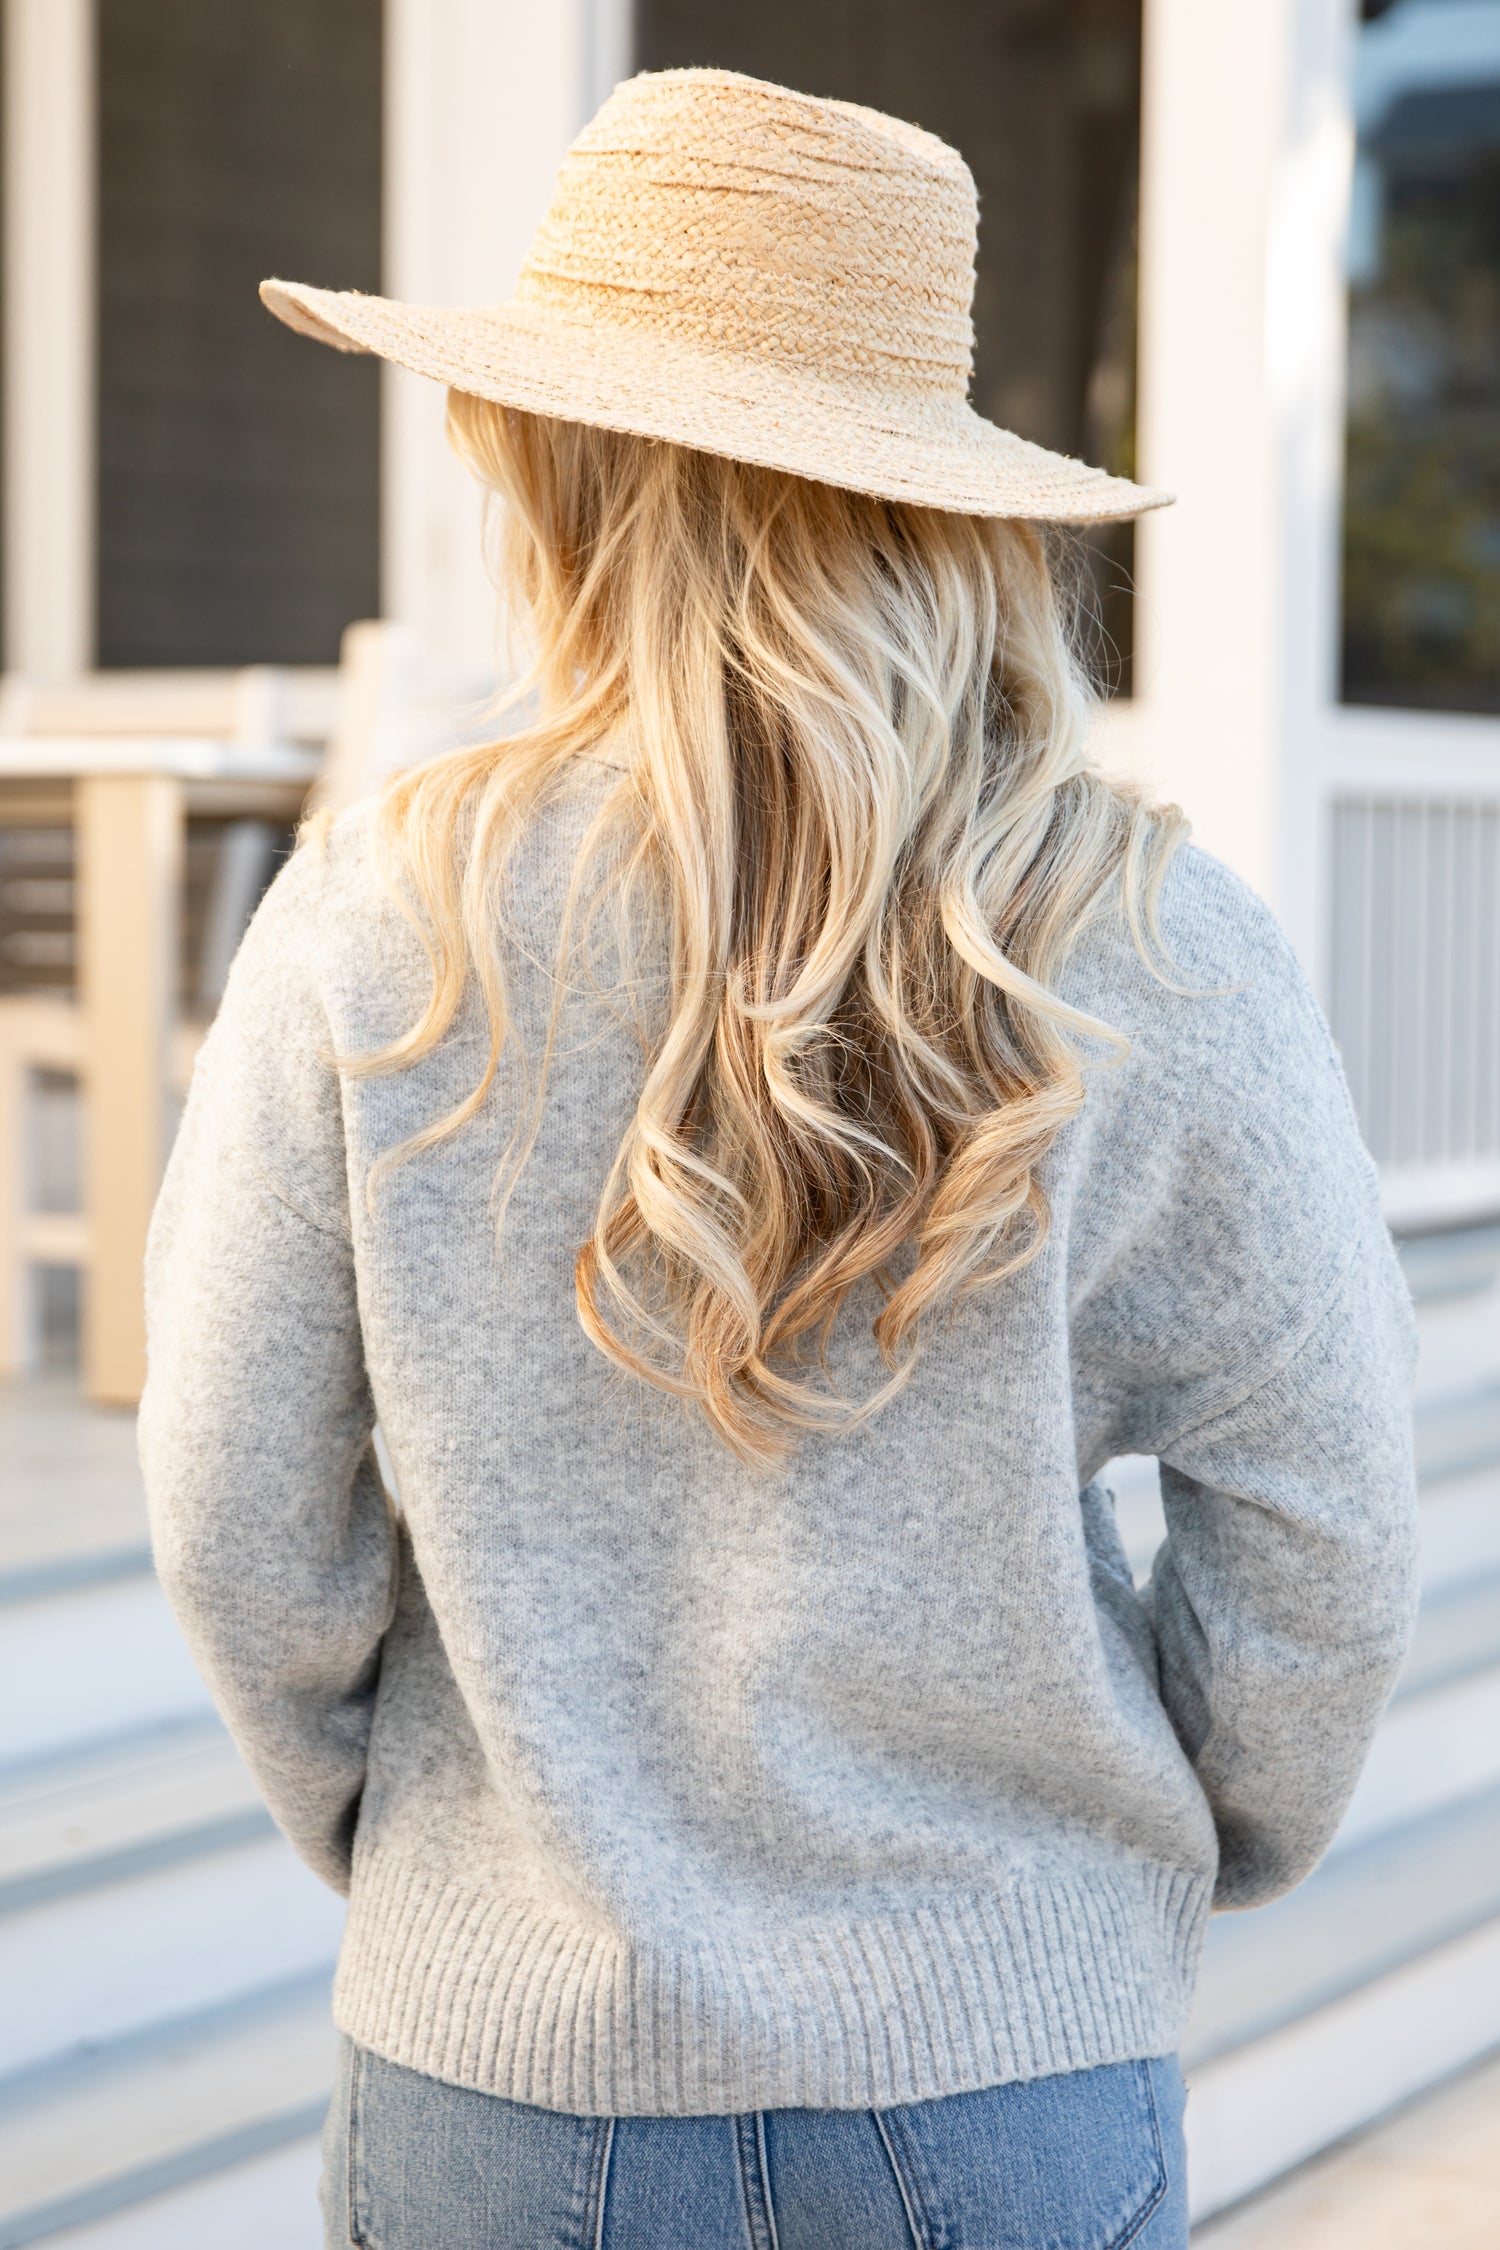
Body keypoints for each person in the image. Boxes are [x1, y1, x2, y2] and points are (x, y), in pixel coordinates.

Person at [139, 68, 1419, 2250]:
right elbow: (1332, 1527)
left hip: (499, 2078)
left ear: (550, 462)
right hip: (1006, 2062)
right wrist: (1163, 1840)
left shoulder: (373, 917)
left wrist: (431, 1837)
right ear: (945, 504)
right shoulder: (1157, 939)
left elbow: (233, 1514)